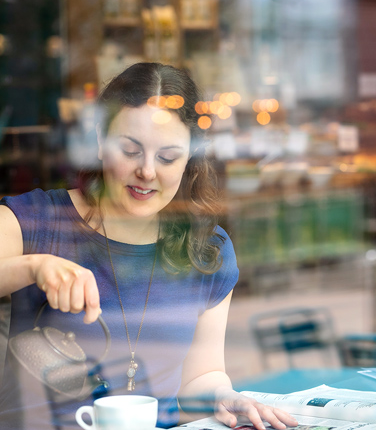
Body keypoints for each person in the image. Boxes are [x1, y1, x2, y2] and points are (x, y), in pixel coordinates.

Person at [0, 62, 298, 430]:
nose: (147, 171)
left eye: (167, 157)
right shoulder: (38, 220)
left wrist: (225, 396)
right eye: (129, 150)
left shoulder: (207, 250)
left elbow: (200, 377)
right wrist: (33, 267)